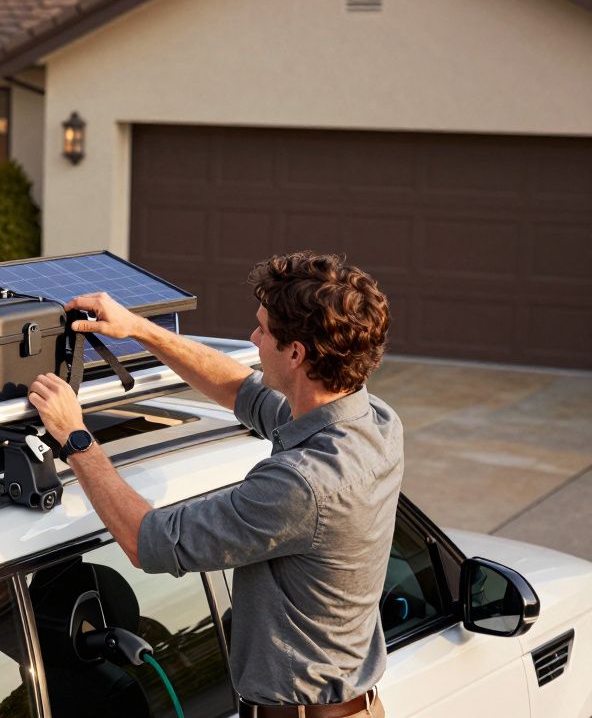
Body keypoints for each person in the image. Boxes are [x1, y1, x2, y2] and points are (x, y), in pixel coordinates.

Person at [28, 252, 399, 718]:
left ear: (297, 354)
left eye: (263, 330)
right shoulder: (374, 422)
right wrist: (139, 329)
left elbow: (148, 542)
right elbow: (242, 391)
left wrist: (76, 438)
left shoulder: (301, 485)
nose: (253, 338)